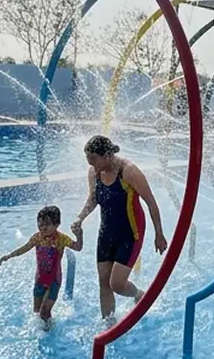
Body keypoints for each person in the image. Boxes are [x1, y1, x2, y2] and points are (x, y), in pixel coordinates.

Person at [72, 134, 168, 320]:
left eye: (94, 160)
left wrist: (159, 234)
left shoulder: (129, 171)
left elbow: (151, 203)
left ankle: (139, 295)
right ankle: (109, 325)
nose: (92, 166)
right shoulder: (94, 172)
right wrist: (80, 218)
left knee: (116, 284)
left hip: (130, 233)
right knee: (103, 281)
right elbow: (93, 198)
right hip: (106, 232)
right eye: (89, 161)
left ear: (107, 155)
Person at [0, 205, 83, 324]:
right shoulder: (37, 237)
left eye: (47, 224)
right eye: (40, 224)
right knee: (37, 312)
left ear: (57, 224)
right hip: (39, 279)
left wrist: (79, 235)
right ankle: (46, 329)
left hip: (54, 281)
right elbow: (25, 248)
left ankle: (50, 330)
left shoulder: (61, 239)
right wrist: (9, 255)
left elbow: (78, 247)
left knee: (44, 312)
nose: (43, 227)